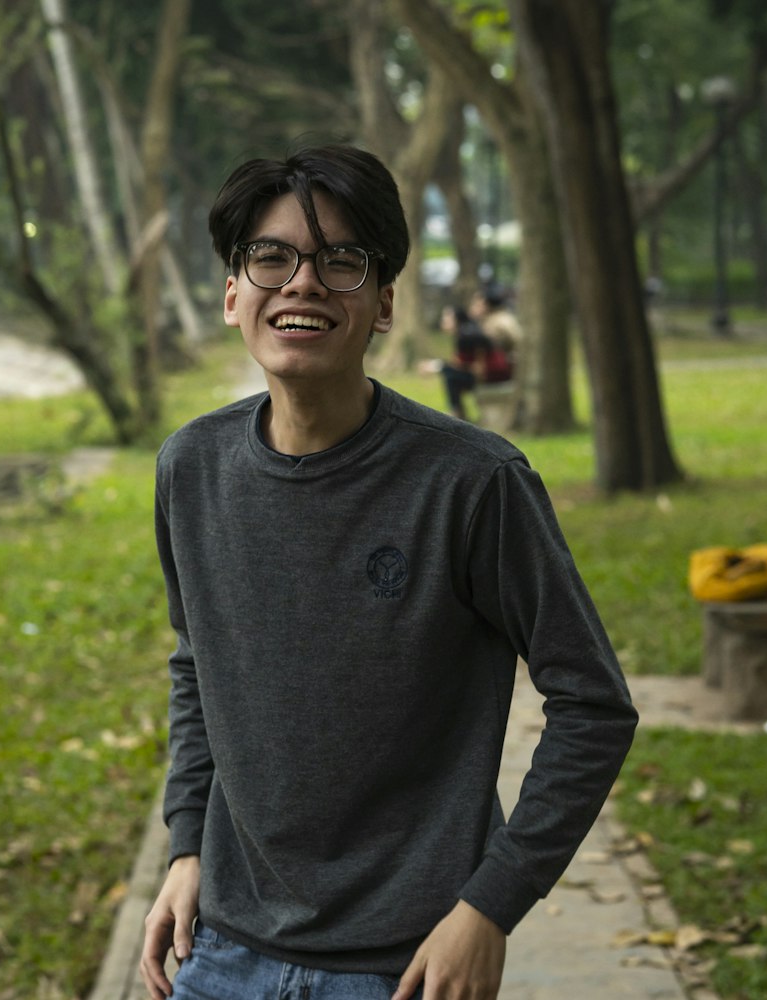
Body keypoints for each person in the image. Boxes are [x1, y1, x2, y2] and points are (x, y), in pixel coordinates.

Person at [141, 143, 638, 1000]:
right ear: (233, 294)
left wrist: (489, 906)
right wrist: (188, 844)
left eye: (341, 261)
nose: (302, 283)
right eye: (271, 257)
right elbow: (198, 665)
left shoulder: (473, 483)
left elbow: (592, 703)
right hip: (221, 947)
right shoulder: (190, 469)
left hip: (407, 965)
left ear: (383, 305)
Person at [434, 303, 512, 421]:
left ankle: (457, 411)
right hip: (489, 373)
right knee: (449, 373)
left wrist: (438, 366)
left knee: (449, 374)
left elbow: (466, 361)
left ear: (457, 319)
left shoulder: (466, 335)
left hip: (492, 374)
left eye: (447, 318)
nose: (443, 321)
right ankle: (458, 411)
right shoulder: (465, 332)